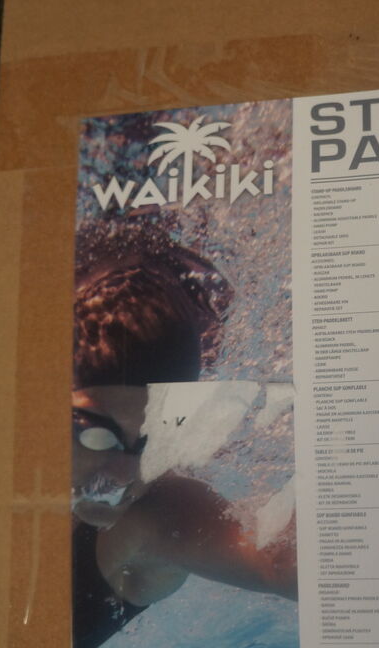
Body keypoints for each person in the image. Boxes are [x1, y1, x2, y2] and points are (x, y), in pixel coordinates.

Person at [71, 220, 296, 648]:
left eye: (152, 440)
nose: (123, 474)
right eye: (96, 433)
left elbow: (282, 563)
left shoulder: (151, 520)